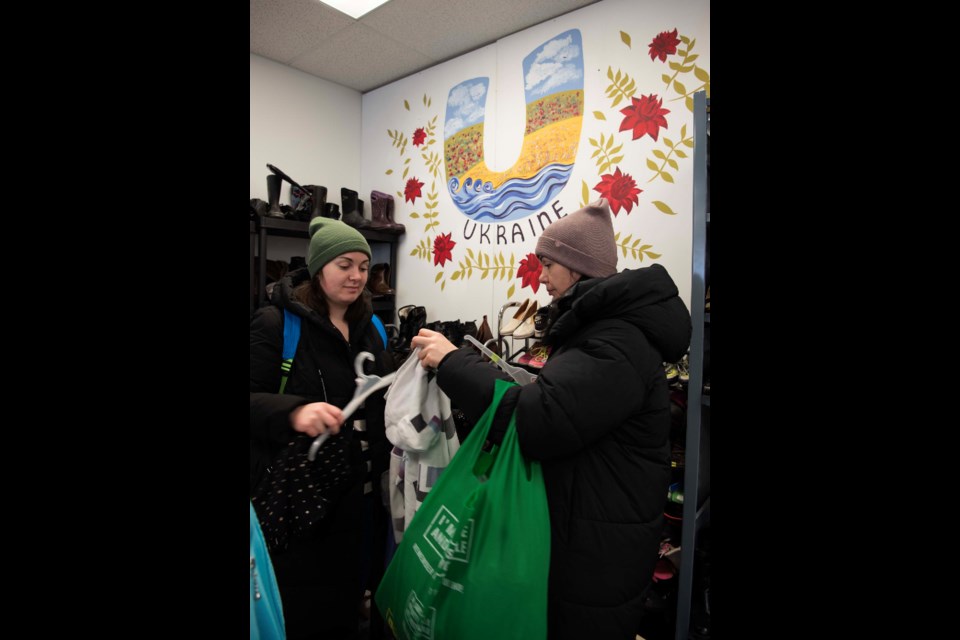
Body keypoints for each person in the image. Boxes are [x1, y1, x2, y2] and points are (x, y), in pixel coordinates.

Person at [410, 198, 691, 639]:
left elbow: (540, 422)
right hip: (591, 530)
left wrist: (454, 364)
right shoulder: (605, 332)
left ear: (577, 267)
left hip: (595, 552)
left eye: (548, 264)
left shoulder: (617, 341)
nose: (540, 278)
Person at [250, 217, 392, 640]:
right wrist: (294, 412)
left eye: (364, 267)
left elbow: (381, 400)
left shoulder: (373, 327)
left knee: (350, 602)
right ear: (319, 268)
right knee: (303, 610)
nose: (356, 277)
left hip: (363, 496)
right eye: (344, 265)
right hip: (301, 501)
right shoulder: (277, 324)